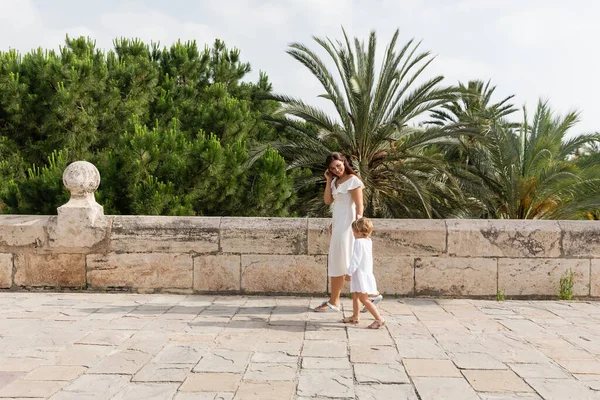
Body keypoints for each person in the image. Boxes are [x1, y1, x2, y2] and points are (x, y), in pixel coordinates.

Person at [314, 152, 381, 312]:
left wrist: (357, 228)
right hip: (338, 224)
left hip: (349, 226)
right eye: (332, 168)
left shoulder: (353, 181)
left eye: (338, 165)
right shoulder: (335, 181)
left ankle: (339, 300)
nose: (336, 169)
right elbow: (328, 201)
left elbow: (359, 206)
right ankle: (341, 299)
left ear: (344, 162)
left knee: (347, 260)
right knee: (339, 260)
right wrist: (329, 180)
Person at [342, 217, 385, 329]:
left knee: (363, 299)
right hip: (364, 272)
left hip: (359, 273)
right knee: (355, 295)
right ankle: (355, 317)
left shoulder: (358, 242)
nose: (353, 234)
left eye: (354, 232)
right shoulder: (368, 241)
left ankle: (379, 319)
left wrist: (349, 273)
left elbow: (356, 259)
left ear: (359, 232)